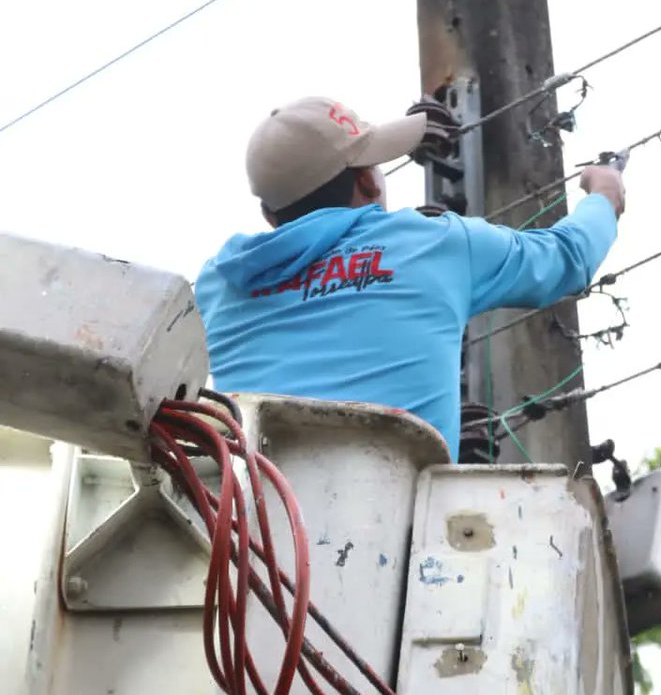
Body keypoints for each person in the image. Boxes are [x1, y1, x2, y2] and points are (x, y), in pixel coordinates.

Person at [194, 97, 624, 459]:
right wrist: (604, 194)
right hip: (401, 534)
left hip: (252, 537)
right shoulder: (434, 245)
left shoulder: (217, 285)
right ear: (368, 181)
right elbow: (568, 258)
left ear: (270, 215)